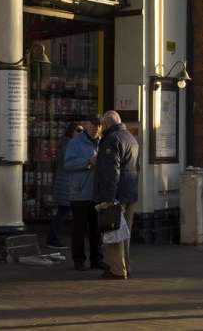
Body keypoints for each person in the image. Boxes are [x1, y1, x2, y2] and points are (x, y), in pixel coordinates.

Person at [93, 109, 139, 280]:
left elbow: (112, 173)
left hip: (116, 194)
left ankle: (117, 269)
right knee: (125, 233)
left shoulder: (111, 140)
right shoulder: (131, 138)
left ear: (106, 124)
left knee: (112, 232)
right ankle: (126, 265)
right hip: (130, 193)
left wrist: (108, 199)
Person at [66, 119, 102, 271]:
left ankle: (96, 259)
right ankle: (78, 260)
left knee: (96, 229)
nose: (95, 129)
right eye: (93, 126)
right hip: (80, 192)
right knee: (79, 229)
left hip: (96, 193)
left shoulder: (103, 142)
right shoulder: (75, 142)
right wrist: (88, 161)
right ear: (87, 126)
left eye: (99, 126)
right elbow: (67, 164)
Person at [47, 122, 79, 248]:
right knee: (62, 212)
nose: (81, 134)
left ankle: (53, 238)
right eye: (79, 131)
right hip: (66, 184)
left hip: (65, 184)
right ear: (72, 132)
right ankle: (53, 239)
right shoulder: (69, 146)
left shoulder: (67, 144)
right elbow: (68, 164)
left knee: (63, 212)